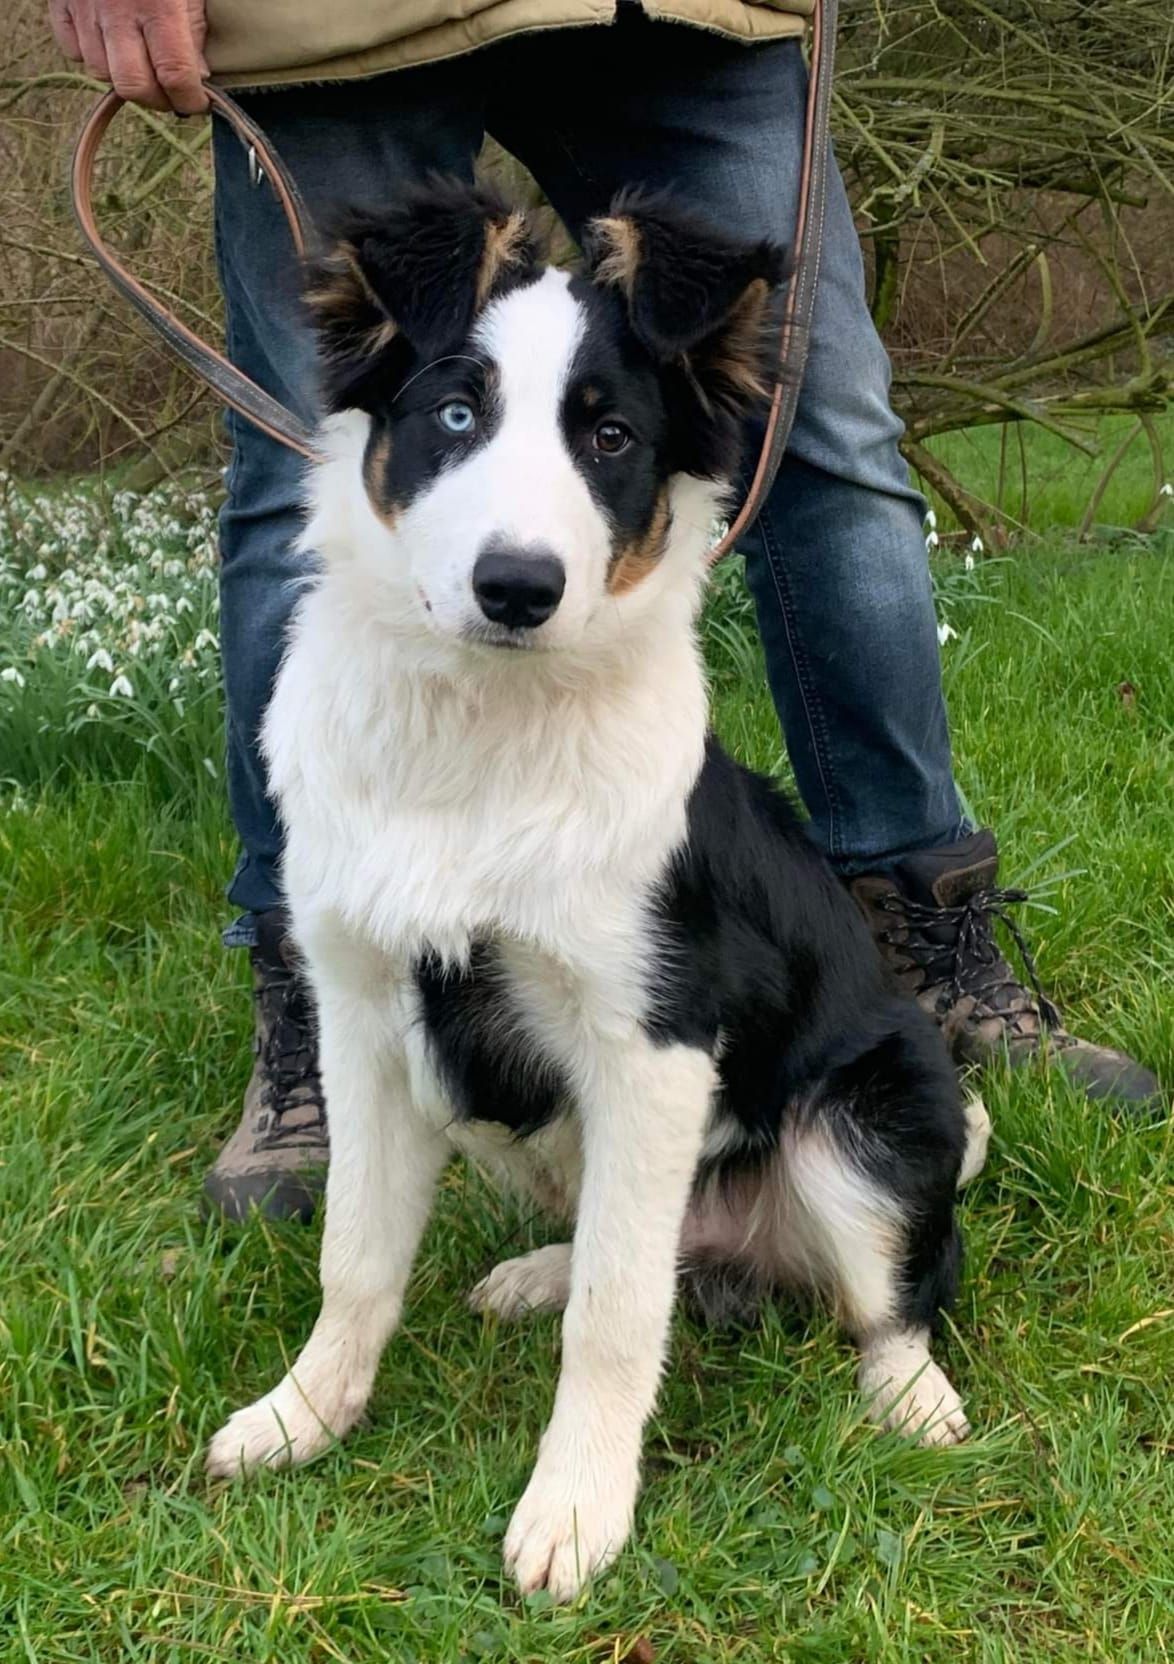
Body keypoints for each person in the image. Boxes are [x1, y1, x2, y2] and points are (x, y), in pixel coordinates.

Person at [49, 0, 1160, 1222]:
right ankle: (315, 1000)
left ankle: (915, 931)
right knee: (312, 450)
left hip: (686, 7)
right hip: (326, 17)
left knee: (826, 430)